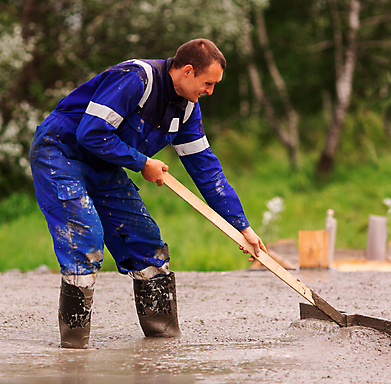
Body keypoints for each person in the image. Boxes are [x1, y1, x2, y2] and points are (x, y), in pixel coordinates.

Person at [29, 38, 267, 348]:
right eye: (208, 83)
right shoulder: (136, 79)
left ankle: (164, 341)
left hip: (103, 166)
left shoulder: (187, 110)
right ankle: (74, 348)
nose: (210, 92)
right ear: (187, 71)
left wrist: (242, 227)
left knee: (148, 244)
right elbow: (90, 133)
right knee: (85, 239)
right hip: (60, 152)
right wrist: (142, 163)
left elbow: (208, 171)